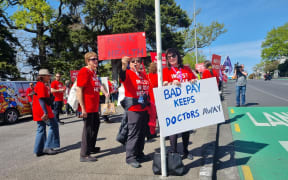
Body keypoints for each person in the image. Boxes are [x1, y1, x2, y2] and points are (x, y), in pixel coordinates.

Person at [163, 48, 196, 160]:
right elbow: (163, 86)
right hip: (172, 105)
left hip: (186, 104)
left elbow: (194, 79)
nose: (171, 58)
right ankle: (174, 152)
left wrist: (192, 81)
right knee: (173, 130)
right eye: (169, 57)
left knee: (186, 129)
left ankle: (186, 151)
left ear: (178, 56)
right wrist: (171, 83)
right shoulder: (166, 70)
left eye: (173, 56)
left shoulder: (186, 69)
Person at [76, 52, 108, 162]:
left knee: (96, 125)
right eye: (93, 59)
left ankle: (91, 147)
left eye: (96, 59)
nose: (96, 61)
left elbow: (99, 85)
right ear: (87, 61)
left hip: (94, 106)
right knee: (88, 129)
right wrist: (83, 108)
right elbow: (79, 90)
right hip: (88, 106)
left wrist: (105, 92)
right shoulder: (84, 71)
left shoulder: (93, 73)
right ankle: (84, 154)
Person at [119, 56, 150, 168]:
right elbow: (121, 76)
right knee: (134, 133)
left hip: (143, 108)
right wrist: (123, 64)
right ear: (129, 64)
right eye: (133, 61)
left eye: (138, 61)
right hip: (133, 109)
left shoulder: (143, 74)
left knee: (142, 133)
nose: (136, 63)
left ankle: (139, 154)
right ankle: (130, 157)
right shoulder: (127, 73)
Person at [32, 69, 60, 157]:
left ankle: (38, 150)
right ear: (42, 77)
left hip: (38, 109)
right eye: (48, 75)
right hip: (43, 110)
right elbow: (41, 99)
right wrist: (45, 112)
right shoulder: (41, 85)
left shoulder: (40, 85)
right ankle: (48, 147)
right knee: (54, 125)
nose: (49, 77)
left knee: (41, 128)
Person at [147, 62, 158, 139]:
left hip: (151, 99)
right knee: (161, 116)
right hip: (158, 98)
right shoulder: (159, 76)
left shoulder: (147, 76)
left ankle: (152, 132)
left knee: (152, 117)